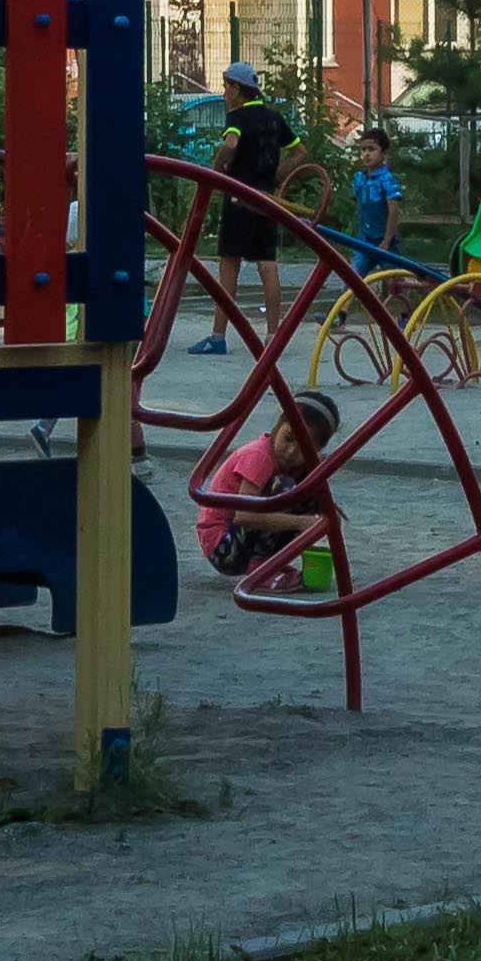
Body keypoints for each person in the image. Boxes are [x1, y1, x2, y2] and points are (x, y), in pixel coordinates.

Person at [189, 390, 340, 598]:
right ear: (279, 424)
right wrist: (300, 523)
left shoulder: (299, 465)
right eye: (288, 438)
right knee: (284, 488)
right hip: (222, 546)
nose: (291, 451)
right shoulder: (259, 456)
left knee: (310, 496)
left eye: (304, 448)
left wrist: (326, 513)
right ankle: (261, 568)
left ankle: (271, 563)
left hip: (240, 542)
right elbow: (245, 516)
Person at [195, 64, 294, 356]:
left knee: (229, 264)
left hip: (239, 197)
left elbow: (231, 142)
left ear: (237, 89)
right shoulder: (274, 118)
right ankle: (273, 335)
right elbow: (300, 150)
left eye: (226, 87)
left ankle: (218, 336)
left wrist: (217, 170)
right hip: (267, 199)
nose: (224, 93)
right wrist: (277, 175)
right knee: (267, 263)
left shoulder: (237, 116)